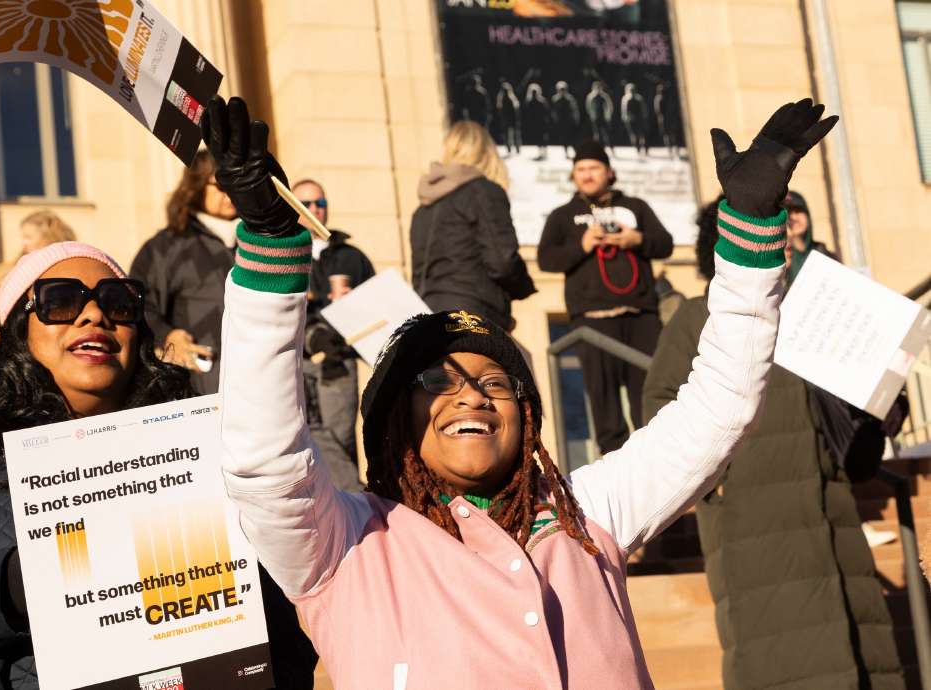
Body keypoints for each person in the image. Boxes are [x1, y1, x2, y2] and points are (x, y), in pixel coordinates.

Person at [205, 95, 836, 688]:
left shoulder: (588, 516)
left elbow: (719, 407)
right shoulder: (344, 544)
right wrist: (268, 243)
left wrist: (751, 231)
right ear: (395, 420)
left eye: (495, 381)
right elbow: (266, 465)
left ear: (527, 416)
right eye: (437, 381)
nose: (472, 396)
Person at [0, 242, 318, 689]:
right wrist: (9, 587)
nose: (94, 316)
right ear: (13, 334)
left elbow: (286, 639)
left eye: (120, 304)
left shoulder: (205, 460)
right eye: (61, 300)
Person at [642, 198, 905, 690]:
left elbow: (851, 439)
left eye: (777, 236)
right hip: (751, 525)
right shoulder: (698, 319)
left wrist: (883, 404)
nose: (777, 246)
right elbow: (660, 408)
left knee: (865, 660)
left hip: (833, 519)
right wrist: (711, 478)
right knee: (783, 663)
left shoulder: (811, 315)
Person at [537, 140, 673, 453]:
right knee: (606, 411)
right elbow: (546, 260)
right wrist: (582, 246)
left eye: (593, 168)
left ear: (608, 172)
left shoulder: (636, 206)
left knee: (652, 405)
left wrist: (638, 239)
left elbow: (665, 243)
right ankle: (619, 485)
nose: (586, 175)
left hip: (640, 318)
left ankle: (660, 472)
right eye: (580, 169)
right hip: (593, 324)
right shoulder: (562, 216)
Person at [130, 149, 238, 395]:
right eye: (222, 185)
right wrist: (166, 337)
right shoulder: (166, 246)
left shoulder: (259, 241)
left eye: (237, 184)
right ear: (197, 186)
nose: (231, 193)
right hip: (200, 387)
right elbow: (137, 303)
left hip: (263, 388)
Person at [410, 121, 537, 330]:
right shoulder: (484, 192)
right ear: (487, 154)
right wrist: (523, 287)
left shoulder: (422, 209)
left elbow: (419, 275)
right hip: (473, 315)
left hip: (429, 321)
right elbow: (502, 261)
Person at [292, 178, 375, 492]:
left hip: (338, 360)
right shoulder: (286, 252)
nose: (315, 210)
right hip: (296, 361)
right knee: (307, 437)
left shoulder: (350, 256)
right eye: (306, 204)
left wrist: (351, 305)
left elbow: (376, 303)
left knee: (338, 438)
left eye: (320, 204)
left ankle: (350, 505)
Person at [0, 209, 78, 287]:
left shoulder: (66, 262)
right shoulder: (19, 263)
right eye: (23, 237)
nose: (24, 243)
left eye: (28, 237)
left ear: (48, 237)